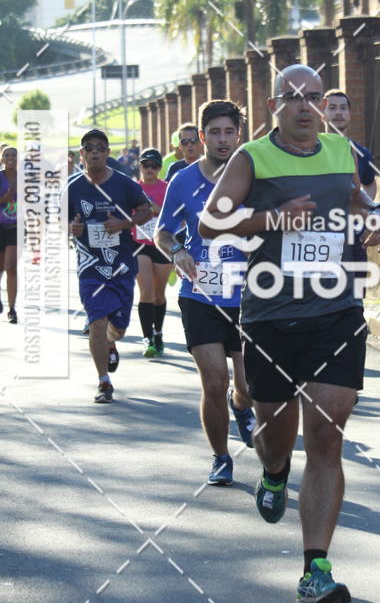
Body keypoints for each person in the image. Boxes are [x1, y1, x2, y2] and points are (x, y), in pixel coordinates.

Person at [199, 65, 380, 603]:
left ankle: (315, 572)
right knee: (275, 438)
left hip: (337, 311)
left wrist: (377, 212)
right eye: (294, 97)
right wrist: (272, 218)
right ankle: (274, 472)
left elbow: (352, 197)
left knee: (327, 436)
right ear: (274, 106)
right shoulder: (251, 158)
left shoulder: (340, 149)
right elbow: (211, 223)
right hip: (270, 316)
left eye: (313, 97)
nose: (305, 106)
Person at [156, 100, 256, 485]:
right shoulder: (183, 181)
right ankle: (221, 457)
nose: (222, 139)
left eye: (229, 131)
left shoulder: (254, 176)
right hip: (200, 295)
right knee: (214, 382)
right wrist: (177, 252)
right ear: (202, 137)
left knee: (247, 387)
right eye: (214, 132)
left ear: (239, 135)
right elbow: (163, 232)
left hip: (247, 297)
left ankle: (241, 406)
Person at [67, 129, 153, 403]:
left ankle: (111, 341)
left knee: (118, 327)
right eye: (88, 148)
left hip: (121, 264)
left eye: (99, 148)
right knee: (96, 321)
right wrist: (71, 227)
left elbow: (147, 209)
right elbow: (59, 219)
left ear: (107, 153)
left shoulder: (124, 184)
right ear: (82, 154)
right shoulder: (72, 187)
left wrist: (124, 224)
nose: (94, 152)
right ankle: (104, 381)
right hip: (90, 265)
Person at [323, 89, 378, 287]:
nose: (338, 112)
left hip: (353, 237)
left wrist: (363, 214)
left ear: (350, 114)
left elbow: (369, 184)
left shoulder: (361, 153)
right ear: (322, 113)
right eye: (332, 108)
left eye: (343, 108)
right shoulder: (310, 150)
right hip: (320, 236)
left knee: (355, 294)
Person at [135, 147, 172, 357]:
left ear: (159, 168)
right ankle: (147, 338)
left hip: (162, 244)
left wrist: (158, 210)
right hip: (139, 244)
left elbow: (178, 217)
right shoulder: (133, 188)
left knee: (159, 295)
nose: (150, 169)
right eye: (146, 165)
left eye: (154, 165)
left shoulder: (167, 188)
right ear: (140, 166)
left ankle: (158, 333)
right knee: (146, 292)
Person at [0, 146, 18, 323]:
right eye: (7, 155)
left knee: (11, 267)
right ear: (2, 159)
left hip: (15, 227)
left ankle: (12, 309)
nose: (10, 157)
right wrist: (6, 197)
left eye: (14, 155)